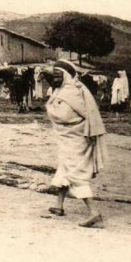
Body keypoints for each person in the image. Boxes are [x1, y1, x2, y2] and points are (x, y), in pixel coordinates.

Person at [46, 60, 107, 228]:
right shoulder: (62, 90)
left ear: (66, 75)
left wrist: (50, 109)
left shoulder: (71, 92)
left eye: (59, 75)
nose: (55, 77)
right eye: (54, 74)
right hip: (68, 138)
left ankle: (94, 212)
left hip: (76, 138)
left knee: (74, 173)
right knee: (65, 168)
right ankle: (59, 206)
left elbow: (65, 116)